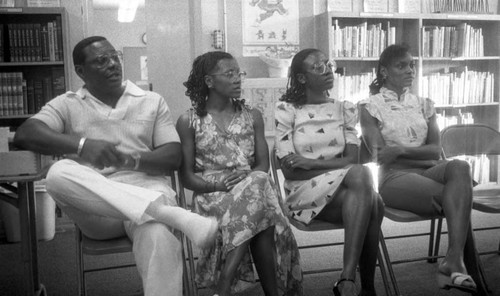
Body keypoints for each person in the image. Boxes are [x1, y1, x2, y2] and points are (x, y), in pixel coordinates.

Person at [13, 36, 218, 296]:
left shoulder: (151, 100)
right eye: (101, 60)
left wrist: (128, 160)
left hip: (147, 188)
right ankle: (175, 215)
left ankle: (163, 215)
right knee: (57, 174)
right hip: (97, 209)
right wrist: (81, 145)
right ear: (80, 71)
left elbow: (173, 157)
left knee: (157, 235)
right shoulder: (67, 103)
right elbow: (26, 133)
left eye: (114, 57)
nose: (112, 64)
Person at [176, 51, 303, 296]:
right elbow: (187, 177)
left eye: (239, 73)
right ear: (209, 81)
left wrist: (245, 182)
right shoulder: (189, 121)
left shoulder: (252, 116)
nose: (237, 79)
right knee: (262, 211)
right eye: (229, 73)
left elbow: (262, 165)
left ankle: (225, 284)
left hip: (252, 185)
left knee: (257, 184)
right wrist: (218, 186)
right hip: (212, 193)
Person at [359, 43, 478, 293]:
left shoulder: (425, 104)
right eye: (401, 65)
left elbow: (436, 150)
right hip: (392, 178)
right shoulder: (369, 107)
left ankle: (454, 258)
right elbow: (383, 156)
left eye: (411, 64)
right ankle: (462, 266)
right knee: (459, 196)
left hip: (429, 170)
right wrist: (415, 155)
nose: (410, 70)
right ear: (384, 71)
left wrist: (401, 151)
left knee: (460, 167)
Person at [275, 48, 384, 296]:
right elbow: (290, 171)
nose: (328, 71)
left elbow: (353, 158)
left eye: (329, 64)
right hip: (303, 194)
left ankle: (354, 284)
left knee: (370, 195)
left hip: (344, 191)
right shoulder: (287, 110)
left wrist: (311, 163)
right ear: (302, 78)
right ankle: (359, 283)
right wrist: (337, 166)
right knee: (369, 191)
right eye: (319, 67)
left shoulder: (344, 109)